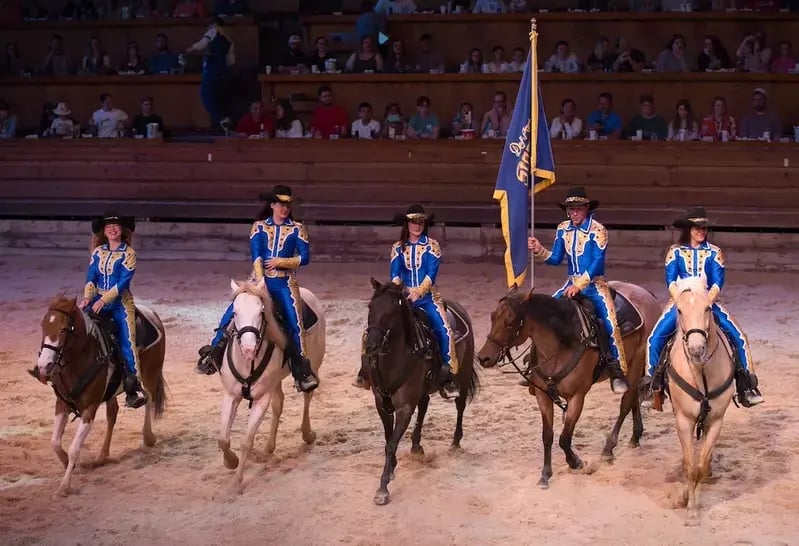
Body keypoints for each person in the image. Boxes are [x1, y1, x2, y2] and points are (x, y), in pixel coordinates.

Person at [196, 186, 319, 393]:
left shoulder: (297, 229)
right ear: (272, 205)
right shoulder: (259, 227)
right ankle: (213, 353)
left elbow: (304, 258)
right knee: (231, 313)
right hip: (259, 280)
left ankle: (301, 372)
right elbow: (257, 257)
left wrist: (281, 261)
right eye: (280, 204)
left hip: (285, 283)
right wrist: (260, 281)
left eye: (287, 205)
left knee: (294, 322)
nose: (284, 209)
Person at [642, 207, 763, 409]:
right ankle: (652, 386)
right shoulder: (675, 251)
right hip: (681, 302)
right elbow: (670, 280)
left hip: (708, 302)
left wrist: (707, 300)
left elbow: (717, 282)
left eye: (704, 227)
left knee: (738, 336)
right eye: (697, 227)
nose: (701, 231)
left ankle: (746, 386)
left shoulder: (715, 252)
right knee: (655, 338)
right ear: (688, 229)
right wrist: (681, 299)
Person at [527, 187, 629, 394]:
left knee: (610, 323)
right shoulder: (563, 228)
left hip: (595, 286)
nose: (573, 213)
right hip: (569, 284)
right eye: (570, 209)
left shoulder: (598, 230)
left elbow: (597, 263)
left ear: (586, 209)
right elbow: (555, 258)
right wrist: (539, 249)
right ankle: (534, 366)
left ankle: (616, 370)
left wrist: (579, 286)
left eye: (578, 209)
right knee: (543, 316)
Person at [378, 204, 459, 396]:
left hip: (427, 298)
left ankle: (448, 376)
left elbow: (432, 273)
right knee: (378, 325)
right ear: (407, 224)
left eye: (420, 222)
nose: (417, 226)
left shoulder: (432, 246)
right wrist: (399, 289)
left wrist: (419, 292)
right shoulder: (397, 247)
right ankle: (368, 370)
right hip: (403, 297)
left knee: (444, 329)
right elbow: (395, 273)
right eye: (413, 222)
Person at [80, 213, 148, 408]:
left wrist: (103, 300)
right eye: (108, 226)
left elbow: (122, 283)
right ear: (104, 230)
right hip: (96, 299)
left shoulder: (129, 254)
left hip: (120, 304)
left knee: (128, 341)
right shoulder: (97, 252)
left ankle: (134, 387)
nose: (111, 229)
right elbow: (91, 277)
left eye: (115, 226)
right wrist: (87, 297)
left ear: (122, 230)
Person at [184, 16, 235, 128]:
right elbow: (231, 61)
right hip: (222, 72)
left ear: (214, 24)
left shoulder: (213, 31)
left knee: (206, 95)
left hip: (212, 70)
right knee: (217, 97)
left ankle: (220, 119)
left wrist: (189, 50)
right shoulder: (229, 39)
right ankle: (222, 122)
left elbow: (202, 44)